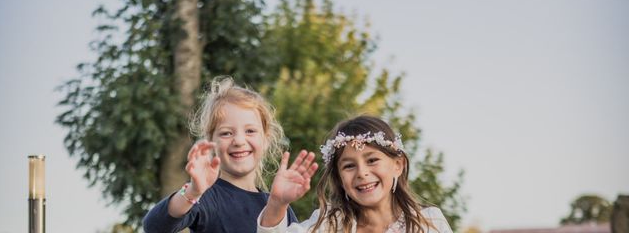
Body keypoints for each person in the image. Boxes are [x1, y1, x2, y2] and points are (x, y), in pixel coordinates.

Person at [143, 76, 299, 233]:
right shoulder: (205, 197)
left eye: (250, 131)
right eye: (226, 133)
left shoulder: (278, 204)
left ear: (266, 140)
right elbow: (155, 227)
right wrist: (193, 191)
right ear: (211, 142)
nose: (238, 141)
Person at [257, 115, 454, 233]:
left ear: (397, 165)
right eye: (349, 166)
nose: (362, 173)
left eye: (372, 160)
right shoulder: (329, 223)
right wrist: (277, 203)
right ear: (340, 179)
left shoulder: (428, 222)